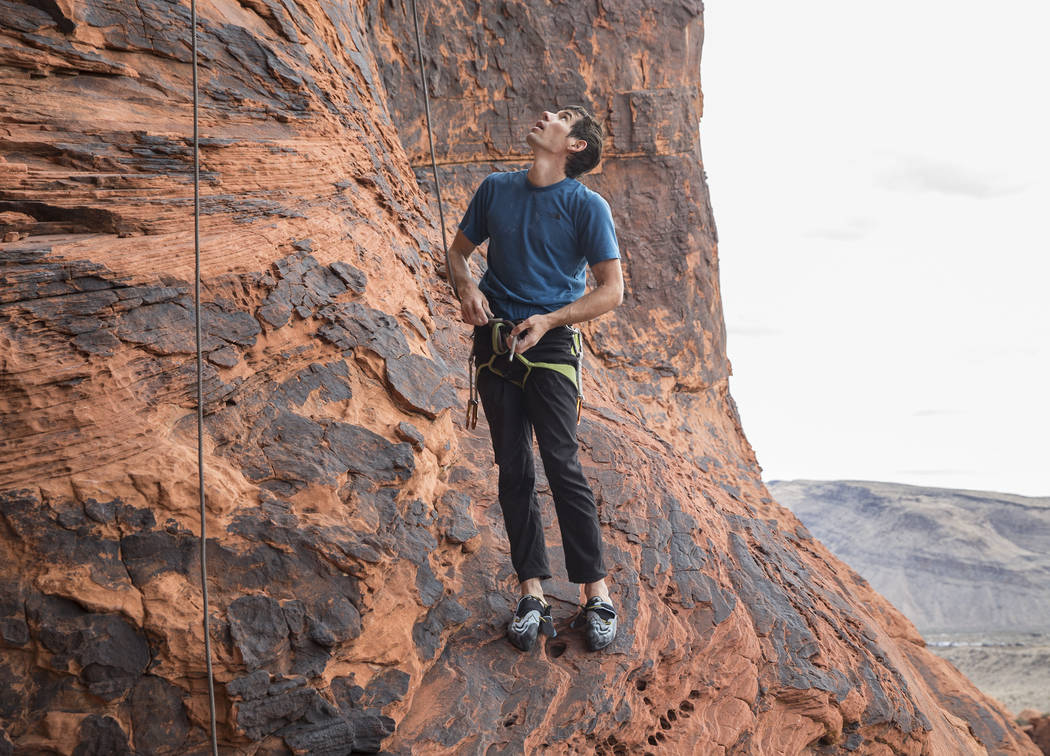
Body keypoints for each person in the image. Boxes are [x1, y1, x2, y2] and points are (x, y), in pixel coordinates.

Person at [446, 106, 624, 652]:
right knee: (513, 467)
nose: (547, 115)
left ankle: (597, 593)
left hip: (549, 342)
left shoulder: (586, 205)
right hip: (497, 340)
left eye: (562, 117)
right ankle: (532, 593)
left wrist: (550, 319)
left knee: (561, 462)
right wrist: (468, 289)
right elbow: (458, 255)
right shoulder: (495, 189)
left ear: (573, 146)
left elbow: (611, 290)